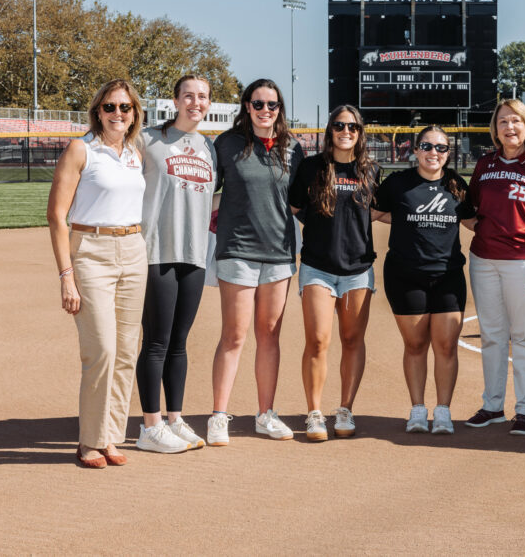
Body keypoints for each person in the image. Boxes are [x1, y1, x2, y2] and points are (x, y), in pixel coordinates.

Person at [47, 79, 148, 469]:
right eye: (110, 107)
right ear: (98, 111)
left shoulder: (135, 152)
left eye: (125, 107)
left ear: (134, 113)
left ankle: (111, 437)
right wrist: (66, 275)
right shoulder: (81, 149)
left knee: (126, 351)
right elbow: (56, 216)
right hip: (91, 251)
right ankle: (88, 441)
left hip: (133, 249)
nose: (117, 114)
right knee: (101, 349)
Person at [209, 79, 305, 443]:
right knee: (234, 335)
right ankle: (219, 415)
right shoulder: (228, 144)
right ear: (246, 106)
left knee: (269, 335)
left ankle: (265, 413)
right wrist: (211, 214)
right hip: (238, 250)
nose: (266, 110)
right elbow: (207, 191)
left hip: (279, 254)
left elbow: (299, 201)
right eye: (259, 103)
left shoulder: (293, 148)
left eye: (273, 104)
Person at [463, 99, 525, 436]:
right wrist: (488, 231)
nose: (509, 127)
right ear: (495, 129)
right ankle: (492, 406)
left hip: (523, 262)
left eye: (516, 121)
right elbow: (470, 209)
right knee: (492, 335)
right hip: (483, 260)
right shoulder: (485, 163)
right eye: (503, 122)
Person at [133, 75, 217, 454]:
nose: (195, 103)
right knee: (156, 341)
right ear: (175, 100)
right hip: (156, 252)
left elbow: (210, 201)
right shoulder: (148, 140)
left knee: (179, 343)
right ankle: (149, 426)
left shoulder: (209, 148)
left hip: (194, 254)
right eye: (188, 96)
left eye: (202, 97)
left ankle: (174, 418)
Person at [371, 126, 473, 434]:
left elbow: (472, 221)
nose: (434, 153)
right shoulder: (398, 183)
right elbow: (373, 213)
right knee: (415, 344)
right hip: (405, 276)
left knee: (446, 345)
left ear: (448, 153)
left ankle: (442, 411)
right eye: (427, 146)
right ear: (415, 150)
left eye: (441, 148)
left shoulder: (456, 185)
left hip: (448, 276)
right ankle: (417, 409)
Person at [289, 105, 379, 441]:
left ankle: (345, 409)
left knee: (352, 340)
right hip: (317, 266)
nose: (346, 131)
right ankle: (314, 413)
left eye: (352, 127)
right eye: (339, 126)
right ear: (330, 130)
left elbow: (379, 211)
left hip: (358, 269)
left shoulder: (370, 170)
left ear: (360, 132)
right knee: (318, 340)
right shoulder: (312, 167)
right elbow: (296, 207)